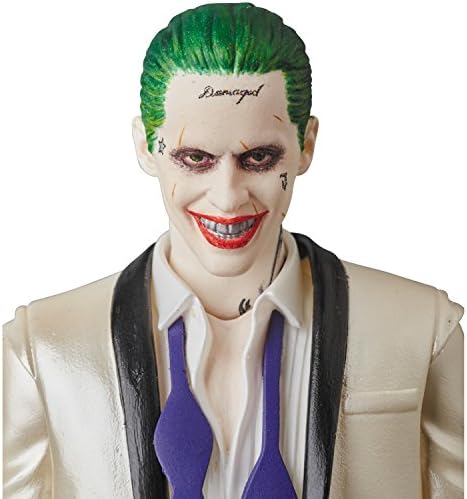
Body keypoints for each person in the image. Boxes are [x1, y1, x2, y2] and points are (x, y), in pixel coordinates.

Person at [3, 3, 463, 498]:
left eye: (259, 157)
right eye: (194, 158)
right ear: (145, 147)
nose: (227, 197)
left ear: (306, 145)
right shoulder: (43, 348)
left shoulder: (421, 329)